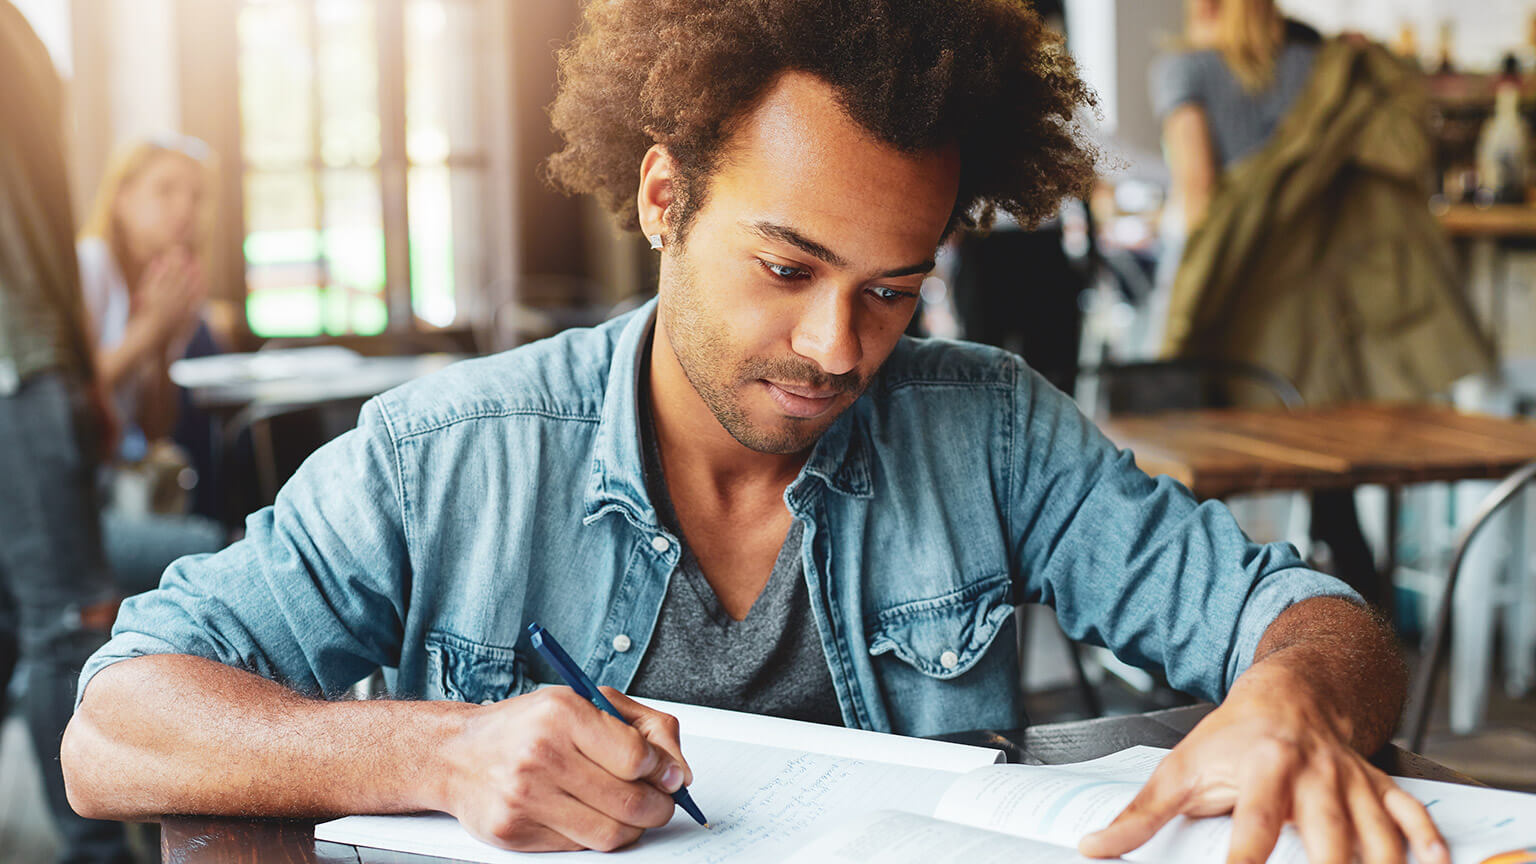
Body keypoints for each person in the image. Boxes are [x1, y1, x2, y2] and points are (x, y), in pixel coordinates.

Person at [66, 2, 1445, 862]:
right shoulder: (449, 458)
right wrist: (436, 752)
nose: (841, 349)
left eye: (892, 289)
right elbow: (114, 727)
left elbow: (1322, 620)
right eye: (787, 270)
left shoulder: (993, 434)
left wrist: (1287, 700)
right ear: (664, 199)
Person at [1151, 0, 1493, 610]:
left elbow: (1197, 203)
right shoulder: (1329, 70)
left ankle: (1207, 644)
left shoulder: (1188, 70)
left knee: (1191, 483)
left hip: (1232, 316)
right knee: (1328, 492)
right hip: (1315, 326)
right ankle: (1373, 631)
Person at [0, 2, 136, 861]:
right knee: (69, 619)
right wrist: (84, 370)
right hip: (21, 363)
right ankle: (95, 856)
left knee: (27, 622)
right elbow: (40, 228)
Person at [75, 136, 226, 599]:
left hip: (114, 493)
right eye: (165, 191)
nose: (184, 209)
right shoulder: (89, 266)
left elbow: (157, 425)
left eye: (195, 196)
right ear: (121, 198)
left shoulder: (165, 285)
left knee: (219, 547)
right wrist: (149, 329)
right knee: (216, 555)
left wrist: (162, 343)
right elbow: (69, 396)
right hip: (75, 506)